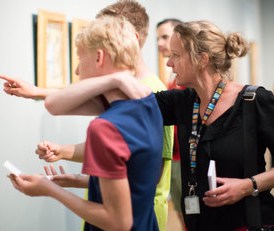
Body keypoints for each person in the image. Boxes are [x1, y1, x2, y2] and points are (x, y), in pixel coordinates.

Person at [56, 20, 274, 231]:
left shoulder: (254, 102)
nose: (169, 63)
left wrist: (248, 186)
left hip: (249, 223)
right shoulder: (182, 101)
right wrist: (39, 93)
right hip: (199, 224)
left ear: (202, 59)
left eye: (175, 56)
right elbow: (106, 103)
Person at [0, 1, 173, 230]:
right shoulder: (149, 102)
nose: (77, 70)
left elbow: (119, 221)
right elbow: (133, 179)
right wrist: (76, 180)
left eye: (79, 59)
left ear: (99, 58)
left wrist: (50, 190)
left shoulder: (105, 127)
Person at [157, 18, 185, 229]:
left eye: (165, 37)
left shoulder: (186, 78)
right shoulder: (172, 76)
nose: (159, 43)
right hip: (173, 156)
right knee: (184, 210)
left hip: (186, 156)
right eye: (158, 38)